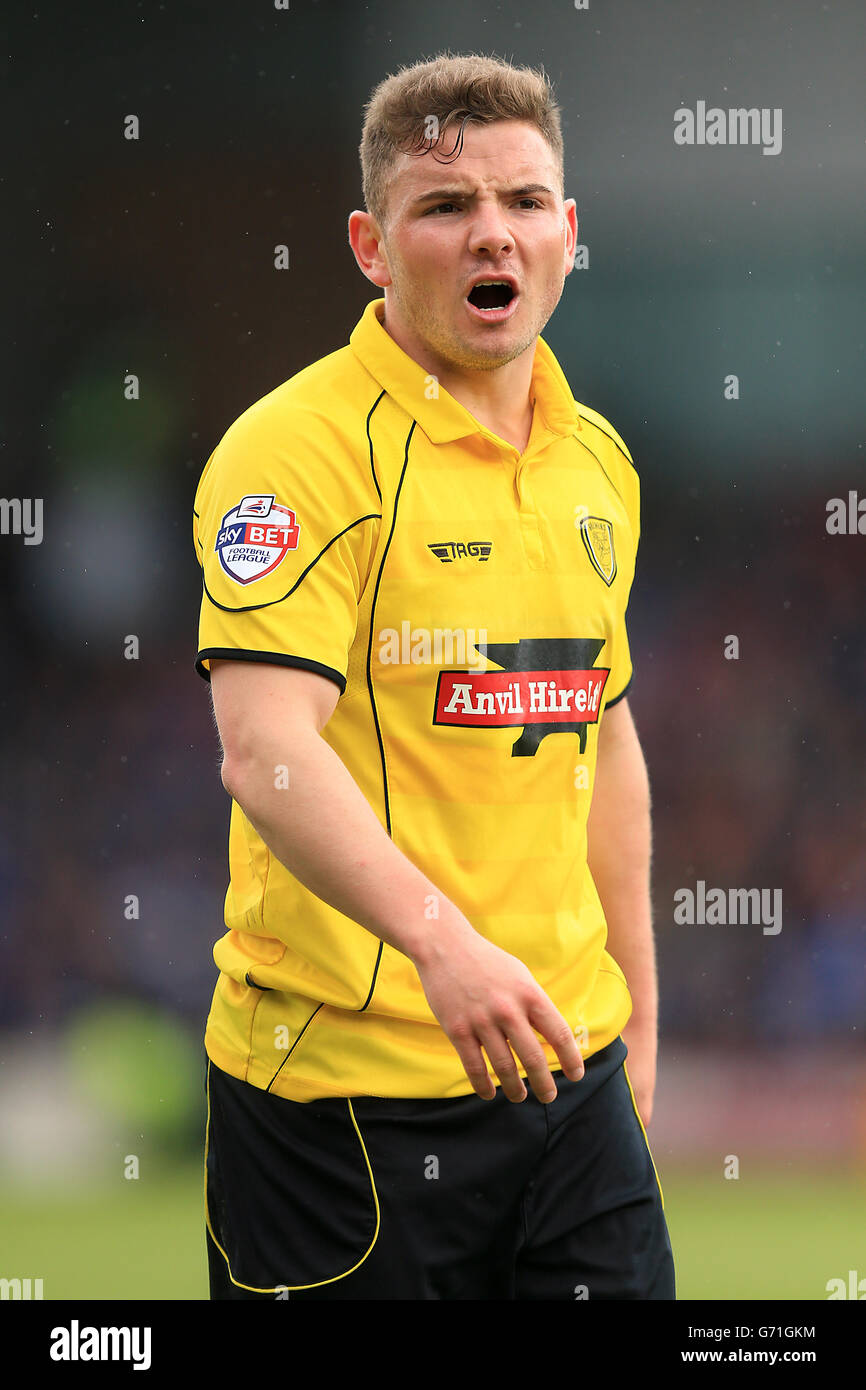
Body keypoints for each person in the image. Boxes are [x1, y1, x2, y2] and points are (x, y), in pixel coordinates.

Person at [192, 51, 675, 1301]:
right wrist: (440, 946)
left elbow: (601, 739)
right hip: (342, 1106)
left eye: (521, 202)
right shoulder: (293, 454)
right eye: (444, 205)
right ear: (370, 245)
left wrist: (635, 1015)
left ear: (567, 231)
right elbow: (264, 750)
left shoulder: (597, 462)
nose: (490, 234)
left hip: (569, 1078)